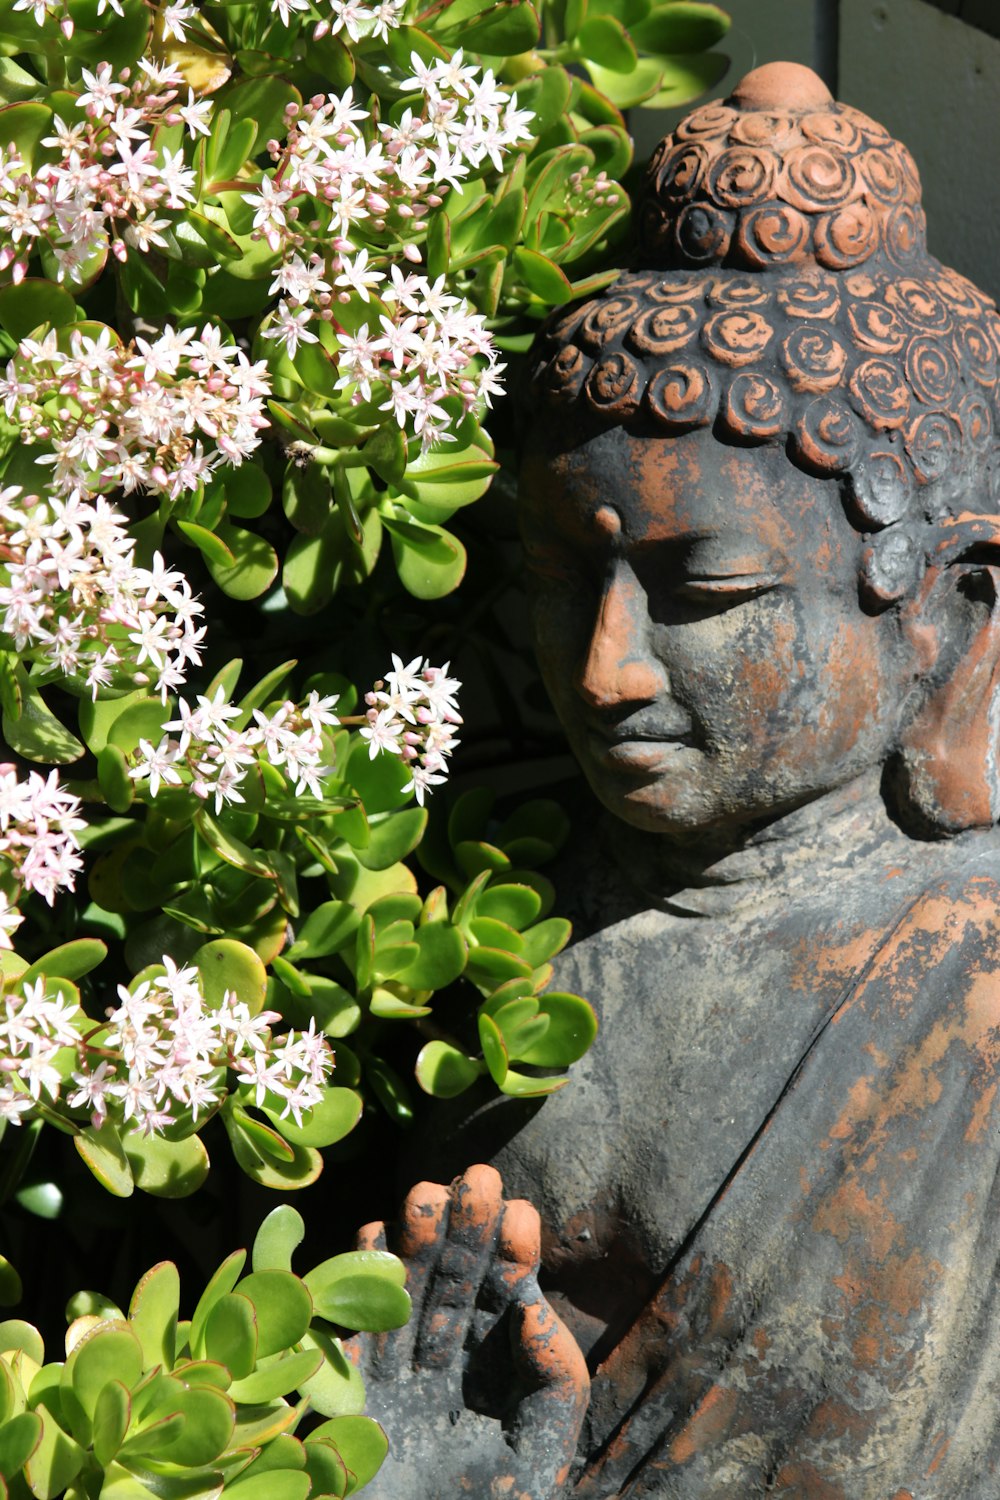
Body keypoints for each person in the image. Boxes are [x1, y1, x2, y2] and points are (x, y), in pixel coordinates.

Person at [347, 62, 1000, 1496]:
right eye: (566, 580)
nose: (605, 670)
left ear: (948, 602)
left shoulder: (967, 991)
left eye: (706, 589)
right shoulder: (453, 929)